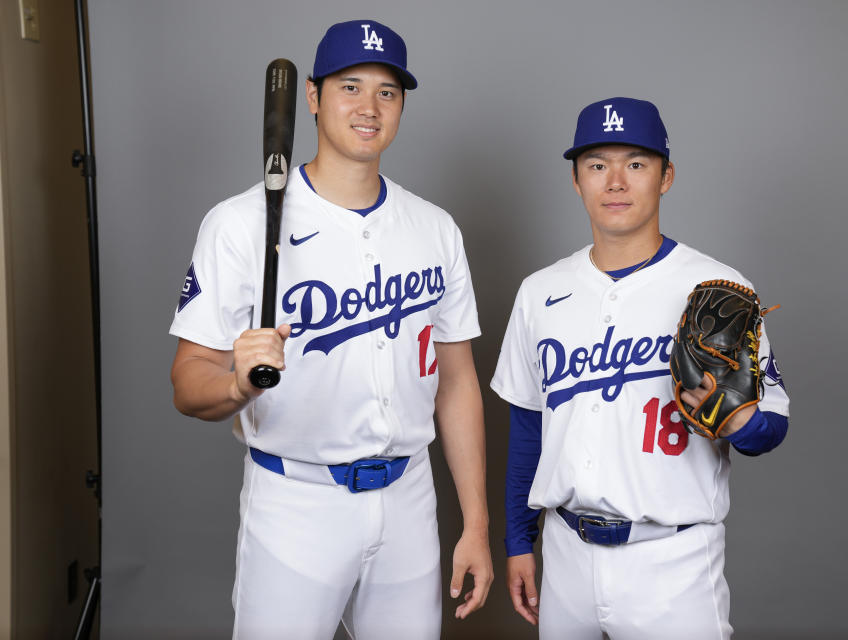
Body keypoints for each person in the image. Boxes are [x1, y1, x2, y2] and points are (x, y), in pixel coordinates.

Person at [169, 19, 492, 639]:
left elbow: (456, 384)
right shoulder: (238, 224)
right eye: (350, 87)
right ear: (312, 97)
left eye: (387, 92)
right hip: (297, 500)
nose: (369, 107)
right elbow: (187, 383)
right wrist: (236, 385)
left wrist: (474, 523)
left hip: (408, 499)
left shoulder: (435, 229)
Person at [491, 97, 789, 639]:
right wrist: (518, 542)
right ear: (576, 181)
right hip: (565, 554)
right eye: (597, 165)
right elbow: (528, 429)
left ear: (666, 175)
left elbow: (773, 428)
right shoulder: (540, 292)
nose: (616, 182)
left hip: (673, 560)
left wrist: (739, 421)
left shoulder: (718, 289)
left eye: (636, 163)